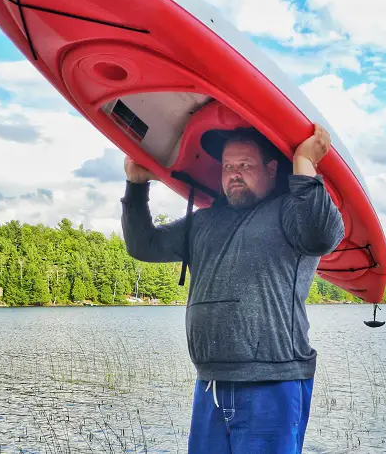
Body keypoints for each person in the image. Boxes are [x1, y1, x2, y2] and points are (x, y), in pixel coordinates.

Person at [120, 123, 345, 454]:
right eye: (228, 166)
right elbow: (143, 245)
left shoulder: (290, 211)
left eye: (245, 165)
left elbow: (322, 236)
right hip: (210, 383)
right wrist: (136, 186)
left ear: (271, 170)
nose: (234, 174)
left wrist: (304, 161)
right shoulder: (203, 222)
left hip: (272, 382)